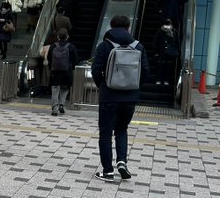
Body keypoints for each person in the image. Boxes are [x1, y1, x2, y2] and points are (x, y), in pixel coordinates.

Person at [91, 15, 149, 182]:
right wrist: (134, 88)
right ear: (128, 28)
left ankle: (108, 171)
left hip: (109, 96)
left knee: (105, 133)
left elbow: (96, 70)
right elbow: (145, 71)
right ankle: (122, 162)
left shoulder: (104, 46)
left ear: (111, 26)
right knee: (122, 129)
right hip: (130, 97)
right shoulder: (139, 47)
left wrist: (103, 86)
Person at [47, 28, 78, 116]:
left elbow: (49, 59)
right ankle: (61, 105)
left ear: (57, 37)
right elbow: (75, 60)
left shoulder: (53, 46)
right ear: (67, 36)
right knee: (65, 88)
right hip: (67, 71)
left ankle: (54, 108)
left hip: (55, 71)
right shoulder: (71, 46)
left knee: (55, 89)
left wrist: (51, 68)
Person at [152, 19, 180, 87]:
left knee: (168, 67)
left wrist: (177, 51)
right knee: (160, 66)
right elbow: (156, 42)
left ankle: (166, 80)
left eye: (168, 24)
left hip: (170, 53)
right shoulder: (160, 31)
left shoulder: (174, 31)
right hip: (161, 52)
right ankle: (159, 79)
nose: (167, 26)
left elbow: (177, 42)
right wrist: (156, 52)